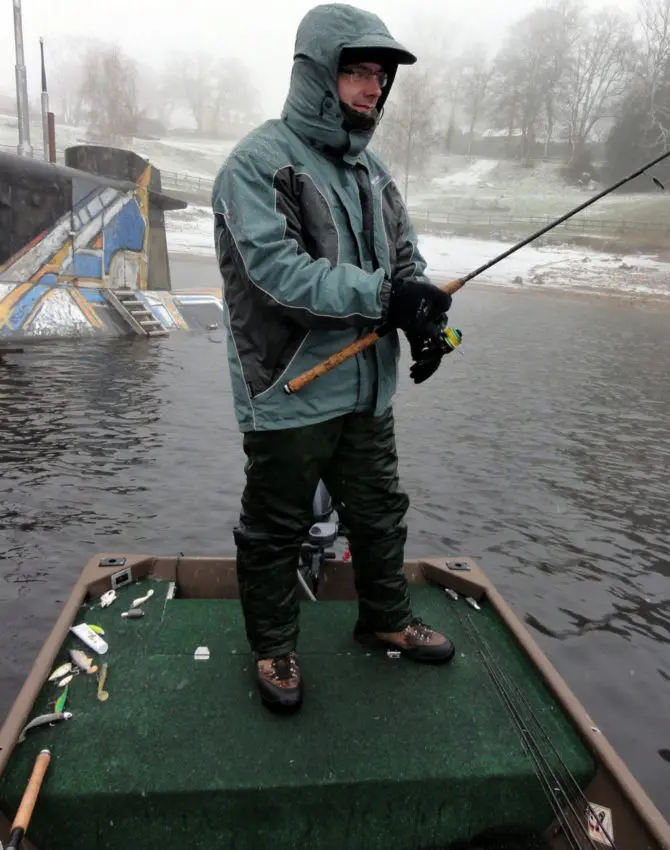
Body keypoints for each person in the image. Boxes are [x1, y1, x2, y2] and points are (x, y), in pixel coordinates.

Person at [212, 2, 456, 714]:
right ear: (317, 74)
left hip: (366, 393)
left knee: (380, 512)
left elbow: (406, 262)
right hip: (289, 392)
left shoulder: (375, 173)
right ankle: (274, 645)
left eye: (379, 77)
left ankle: (384, 615)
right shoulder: (256, 166)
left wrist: (428, 321)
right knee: (275, 525)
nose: (372, 89)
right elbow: (278, 277)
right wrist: (389, 297)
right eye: (357, 72)